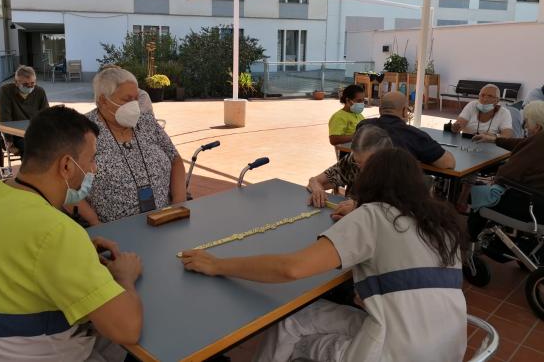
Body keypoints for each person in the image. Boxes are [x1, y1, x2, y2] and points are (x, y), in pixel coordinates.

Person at [181, 148, 467, 362]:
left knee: (289, 323)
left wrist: (218, 264)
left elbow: (290, 269)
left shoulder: (372, 216)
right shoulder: (442, 223)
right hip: (449, 345)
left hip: (397, 353)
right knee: (309, 317)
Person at [0, 106, 143, 362]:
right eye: (92, 159)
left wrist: (77, 255)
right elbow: (128, 329)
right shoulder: (57, 231)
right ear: (66, 165)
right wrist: (125, 276)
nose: (94, 169)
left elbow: (20, 255)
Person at [76, 67, 186, 224]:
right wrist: (96, 225)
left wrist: (178, 204)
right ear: (103, 101)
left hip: (164, 219)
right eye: (127, 100)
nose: (134, 105)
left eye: (136, 98)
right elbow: (66, 186)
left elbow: (175, 159)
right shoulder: (83, 130)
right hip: (113, 230)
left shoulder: (146, 122)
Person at [470, 100, 544, 221]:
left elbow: (506, 175)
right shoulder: (538, 141)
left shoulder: (538, 142)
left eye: (526, 123)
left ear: (537, 127)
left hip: (531, 207)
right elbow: (522, 143)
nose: (524, 127)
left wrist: (496, 179)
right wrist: (494, 139)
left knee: (477, 192)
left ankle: (471, 235)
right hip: (537, 201)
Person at [308, 125, 392, 218]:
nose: (362, 170)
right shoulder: (352, 161)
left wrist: (359, 209)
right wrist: (317, 189)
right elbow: (316, 181)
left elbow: (391, 215)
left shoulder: (398, 174)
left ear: (385, 157)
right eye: (358, 163)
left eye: (369, 164)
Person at [358, 91, 455, 169]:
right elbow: (448, 163)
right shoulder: (414, 135)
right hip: (397, 190)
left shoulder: (363, 126)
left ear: (380, 110)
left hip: (363, 187)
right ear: (404, 111)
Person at [0, 65, 49, 154]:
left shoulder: (39, 91)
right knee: (31, 150)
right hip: (16, 135)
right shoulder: (6, 91)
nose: (30, 86)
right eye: (25, 84)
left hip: (36, 132)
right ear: (16, 82)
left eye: (33, 83)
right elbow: (5, 117)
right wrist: (9, 141)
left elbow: (46, 114)